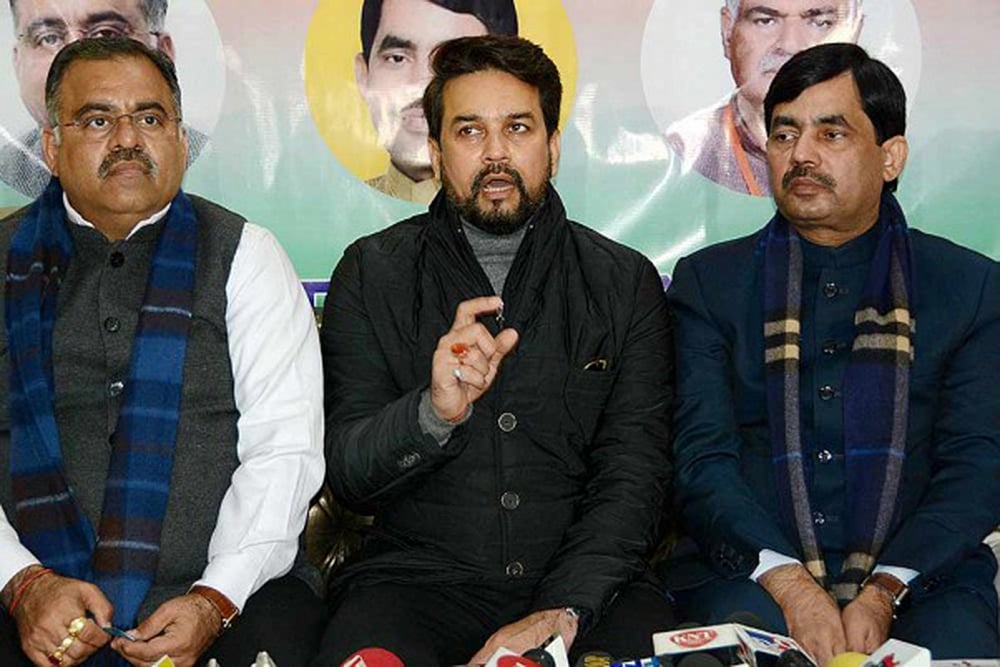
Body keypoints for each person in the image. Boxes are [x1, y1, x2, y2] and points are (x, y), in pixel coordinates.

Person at [319, 35, 674, 666]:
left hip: (592, 592)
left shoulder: (623, 282)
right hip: (416, 587)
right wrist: (433, 412)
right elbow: (349, 473)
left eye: (518, 127)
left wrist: (565, 607)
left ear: (553, 146)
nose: (496, 154)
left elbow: (634, 477)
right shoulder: (372, 273)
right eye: (469, 131)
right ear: (434, 151)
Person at [664, 43, 999, 663]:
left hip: (926, 579)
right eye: (785, 133)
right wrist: (789, 583)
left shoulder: (969, 287)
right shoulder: (711, 284)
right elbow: (701, 459)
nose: (802, 154)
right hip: (748, 575)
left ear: (890, 156)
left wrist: (884, 588)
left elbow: (977, 468)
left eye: (832, 132)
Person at [0, 37, 326, 667]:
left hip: (232, 594)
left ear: (179, 140)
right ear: (51, 146)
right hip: (29, 594)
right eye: (98, 120)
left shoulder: (245, 256)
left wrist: (214, 599)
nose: (128, 139)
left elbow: (284, 450)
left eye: (150, 118)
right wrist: (24, 584)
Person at [0, 0, 208, 199]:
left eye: (105, 34)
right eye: (49, 38)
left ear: (163, 53)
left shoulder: (216, 168)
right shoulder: (5, 173)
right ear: (18, 62)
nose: (74, 62)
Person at [665, 0, 861, 196]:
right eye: (765, 21)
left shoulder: (884, 144)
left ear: (854, 32)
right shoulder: (682, 153)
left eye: (820, 23)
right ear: (727, 33)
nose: (790, 45)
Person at [355, 0, 517, 204]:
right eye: (397, 58)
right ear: (363, 75)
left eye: (452, 60)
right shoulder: (336, 210)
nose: (421, 87)